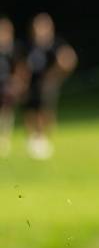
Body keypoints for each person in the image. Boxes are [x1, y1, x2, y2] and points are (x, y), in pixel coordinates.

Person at [23, 13, 78, 159]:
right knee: (30, 110)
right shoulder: (29, 46)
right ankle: (32, 140)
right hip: (31, 84)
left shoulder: (55, 44)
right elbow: (23, 65)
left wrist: (54, 75)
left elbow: (68, 59)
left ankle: (44, 140)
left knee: (45, 111)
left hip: (47, 85)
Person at [0, 17, 26, 157]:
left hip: (7, 86)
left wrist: (16, 83)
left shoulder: (14, 49)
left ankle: (4, 139)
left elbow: (20, 68)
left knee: (6, 113)